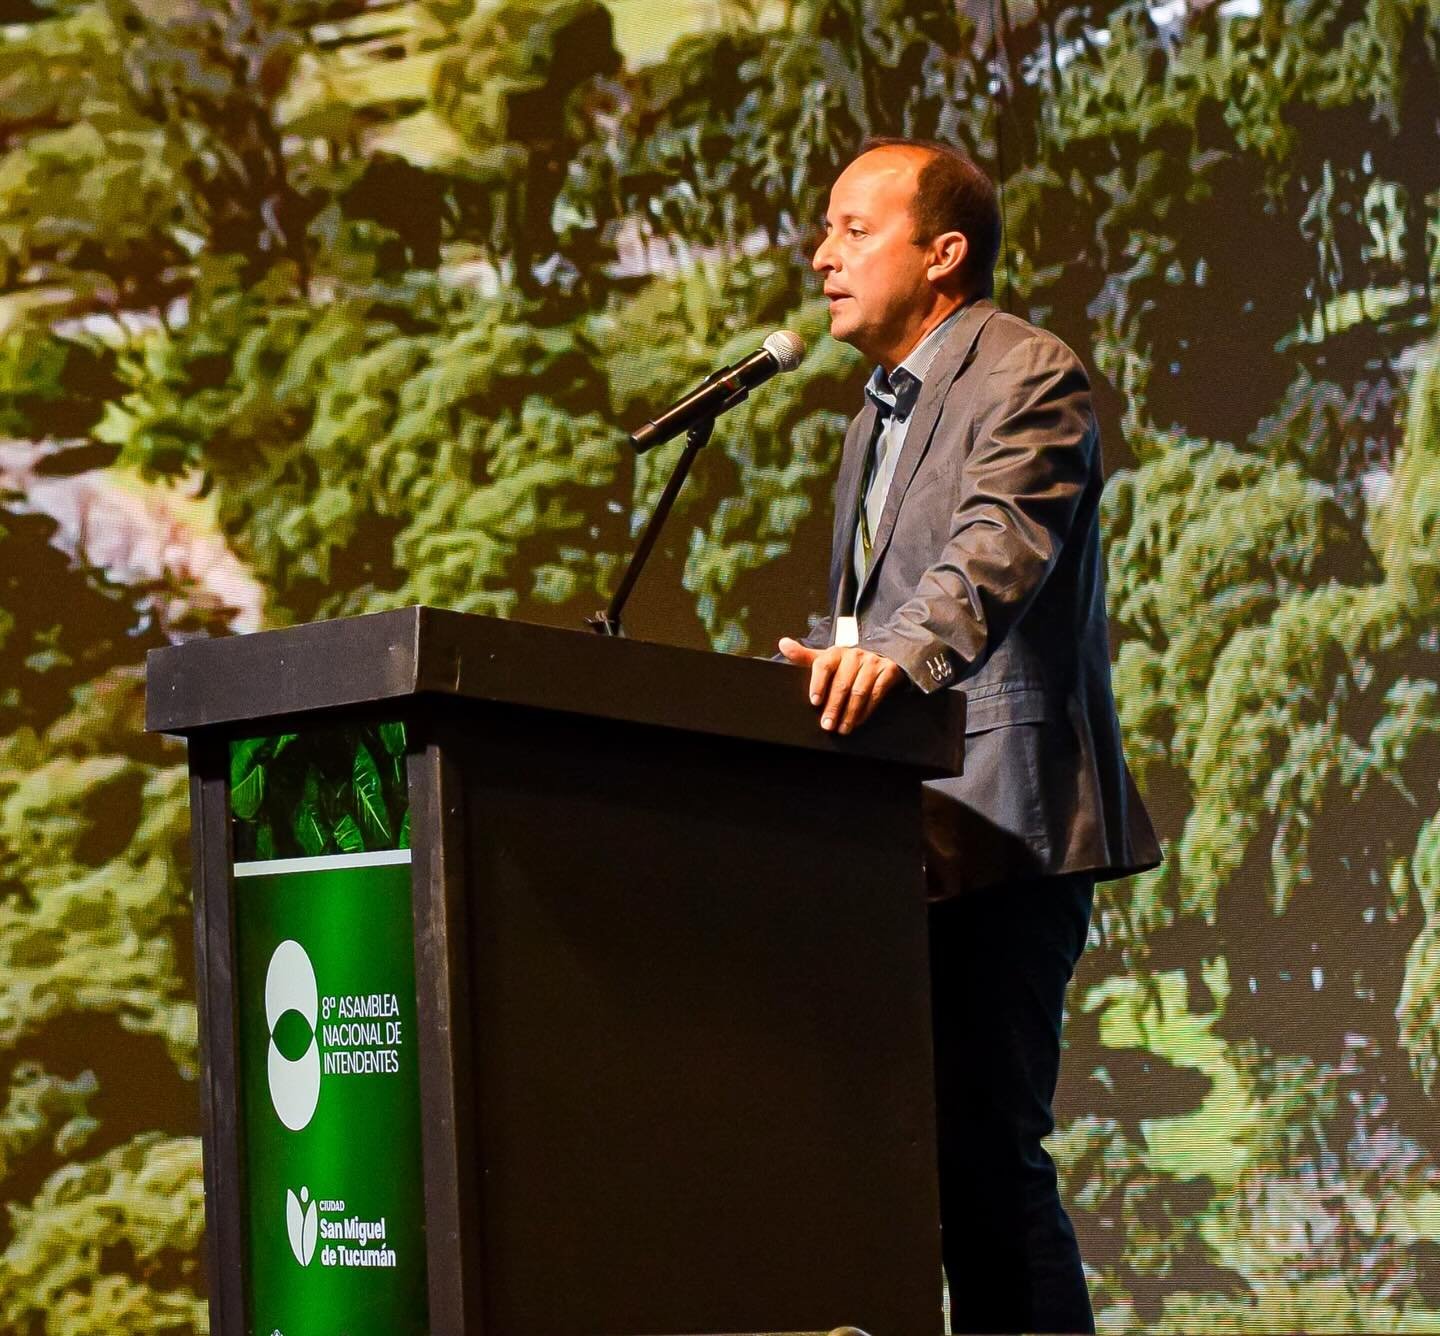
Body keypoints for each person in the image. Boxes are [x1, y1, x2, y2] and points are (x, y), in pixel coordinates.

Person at [777, 139, 1162, 1334]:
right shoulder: (871, 420)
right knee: (923, 1167)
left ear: (943, 254)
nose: (823, 255)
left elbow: (994, 550)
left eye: (853, 230)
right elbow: (868, 613)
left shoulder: (1029, 373)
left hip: (1005, 821)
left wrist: (897, 657)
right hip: (903, 833)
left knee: (992, 1161)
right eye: (825, 230)